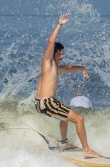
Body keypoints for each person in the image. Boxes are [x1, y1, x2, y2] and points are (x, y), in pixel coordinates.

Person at [34, 13, 101, 158]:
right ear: (53, 54)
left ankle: (64, 143)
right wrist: (60, 25)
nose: (62, 56)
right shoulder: (47, 62)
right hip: (47, 102)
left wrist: (82, 67)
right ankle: (87, 150)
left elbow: (69, 68)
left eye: (62, 53)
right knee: (79, 119)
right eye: (59, 54)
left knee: (65, 114)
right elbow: (51, 41)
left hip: (43, 103)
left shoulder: (56, 67)